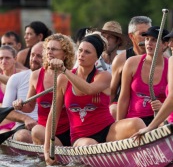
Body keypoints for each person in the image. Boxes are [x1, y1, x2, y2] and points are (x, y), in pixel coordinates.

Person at [43, 32, 146, 166]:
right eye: (80, 50)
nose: (81, 54)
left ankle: (149, 158)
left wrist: (64, 69)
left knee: (136, 123)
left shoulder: (104, 76)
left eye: (87, 52)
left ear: (96, 57)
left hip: (108, 130)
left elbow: (89, 89)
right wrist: (46, 150)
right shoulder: (63, 79)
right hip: (81, 137)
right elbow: (53, 115)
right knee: (90, 145)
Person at [13, 33, 75, 145]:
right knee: (33, 132)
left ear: (65, 54)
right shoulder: (36, 75)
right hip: (43, 131)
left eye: (54, 49)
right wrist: (20, 105)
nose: (50, 52)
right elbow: (29, 107)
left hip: (68, 131)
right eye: (48, 49)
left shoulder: (72, 76)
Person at [117, 26, 169, 126]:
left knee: (165, 125)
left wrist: (163, 107)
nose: (149, 43)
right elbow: (124, 98)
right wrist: (119, 124)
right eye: (147, 39)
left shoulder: (170, 67)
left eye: (154, 40)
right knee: (137, 123)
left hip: (158, 120)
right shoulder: (131, 63)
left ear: (165, 45)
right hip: (134, 121)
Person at [110, 16, 152, 119]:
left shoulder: (162, 57)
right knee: (113, 110)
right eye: (143, 34)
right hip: (125, 104)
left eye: (150, 34)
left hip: (152, 103)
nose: (147, 38)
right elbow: (112, 92)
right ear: (131, 36)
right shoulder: (120, 59)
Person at [0, 42, 43, 142]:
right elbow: (6, 112)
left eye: (39, 56)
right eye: (32, 55)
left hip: (46, 126)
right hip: (22, 127)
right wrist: (26, 119)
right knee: (23, 135)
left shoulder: (59, 78)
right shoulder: (17, 78)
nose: (34, 59)